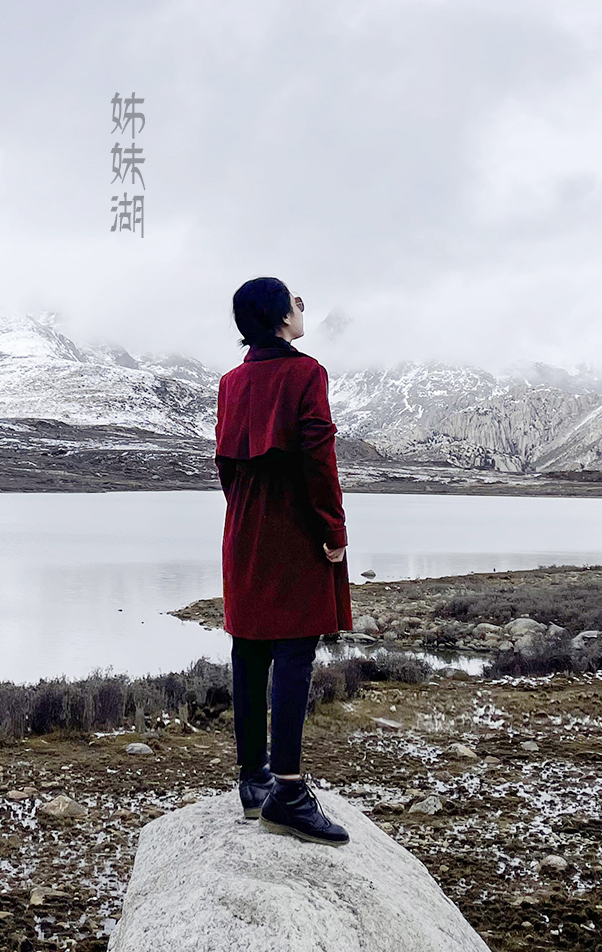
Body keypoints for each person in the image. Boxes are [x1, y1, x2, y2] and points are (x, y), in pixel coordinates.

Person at [214, 276, 352, 846]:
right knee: (294, 652)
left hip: (244, 527)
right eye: (294, 298)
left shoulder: (231, 382)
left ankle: (254, 782)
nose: (301, 305)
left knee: (249, 650)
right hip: (294, 529)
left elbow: (225, 465)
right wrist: (333, 529)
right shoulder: (306, 373)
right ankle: (289, 793)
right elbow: (319, 458)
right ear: (277, 315)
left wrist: (248, 513)